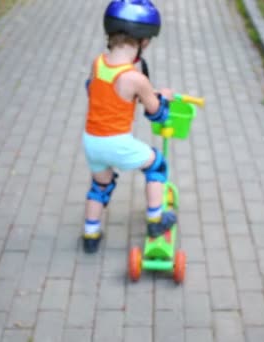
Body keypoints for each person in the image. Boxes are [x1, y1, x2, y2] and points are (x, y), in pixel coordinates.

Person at [82, 0, 177, 254]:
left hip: (91, 141)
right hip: (117, 142)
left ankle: (90, 233)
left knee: (100, 185)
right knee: (156, 165)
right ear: (143, 41)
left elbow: (92, 89)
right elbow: (156, 113)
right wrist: (163, 96)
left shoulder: (98, 62)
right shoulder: (136, 78)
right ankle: (156, 220)